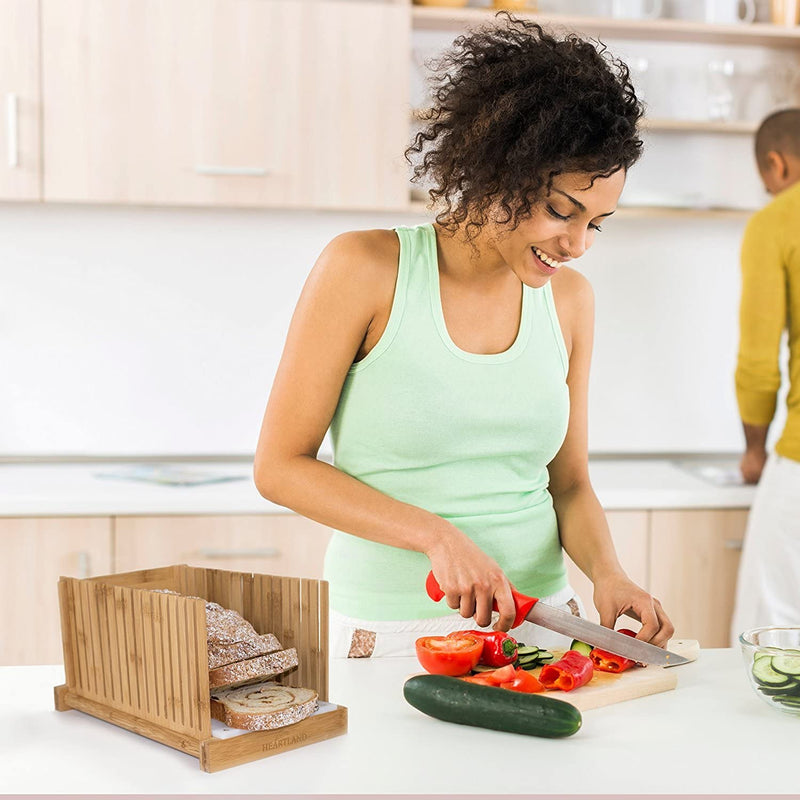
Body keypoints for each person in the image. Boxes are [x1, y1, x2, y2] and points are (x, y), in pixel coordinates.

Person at [254, 14, 674, 658]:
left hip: (548, 626)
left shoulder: (570, 302)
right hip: (391, 630)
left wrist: (609, 573)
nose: (578, 245)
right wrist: (435, 536)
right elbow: (280, 468)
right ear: (499, 171)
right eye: (562, 211)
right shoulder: (365, 269)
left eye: (598, 223)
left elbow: (568, 483)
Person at [730, 108, 800, 643]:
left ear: (777, 165)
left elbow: (758, 362)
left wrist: (755, 450)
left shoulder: (777, 221)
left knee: (770, 630)